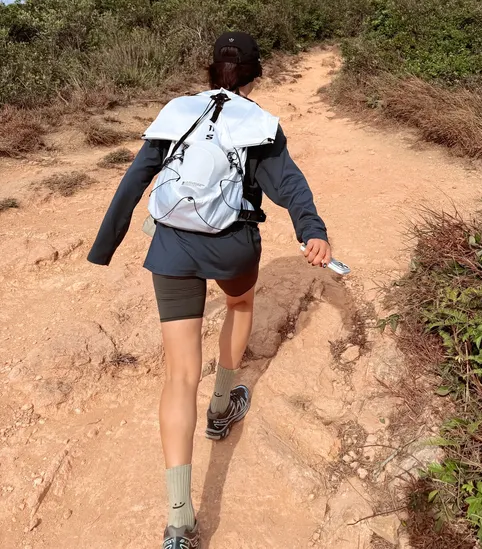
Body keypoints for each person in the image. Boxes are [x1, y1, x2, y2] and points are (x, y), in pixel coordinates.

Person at [87, 32, 331, 549]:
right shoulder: (259, 126)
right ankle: (222, 406)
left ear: (209, 69)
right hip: (232, 248)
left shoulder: (177, 112)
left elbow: (135, 179)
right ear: (255, 72)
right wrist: (311, 229)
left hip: (172, 248)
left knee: (178, 375)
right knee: (240, 302)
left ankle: (179, 522)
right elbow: (288, 183)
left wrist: (105, 245)